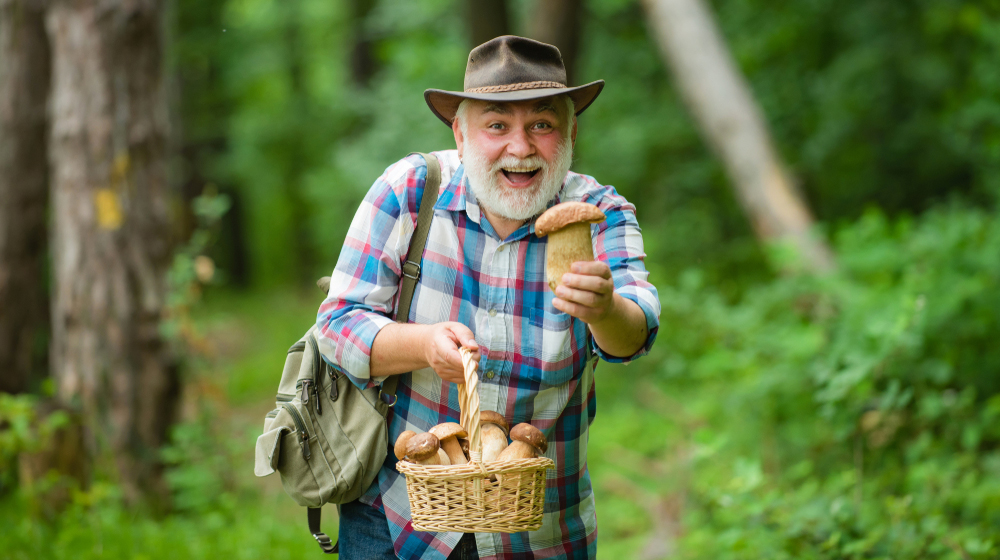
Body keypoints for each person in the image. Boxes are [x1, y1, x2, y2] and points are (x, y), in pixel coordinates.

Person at [317, 35, 660, 560]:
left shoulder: (600, 213)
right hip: (397, 516)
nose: (520, 148)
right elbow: (336, 326)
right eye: (497, 125)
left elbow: (634, 335)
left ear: (570, 131)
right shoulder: (411, 190)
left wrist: (605, 309)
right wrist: (423, 344)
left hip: (541, 530)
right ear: (460, 133)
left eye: (541, 125)